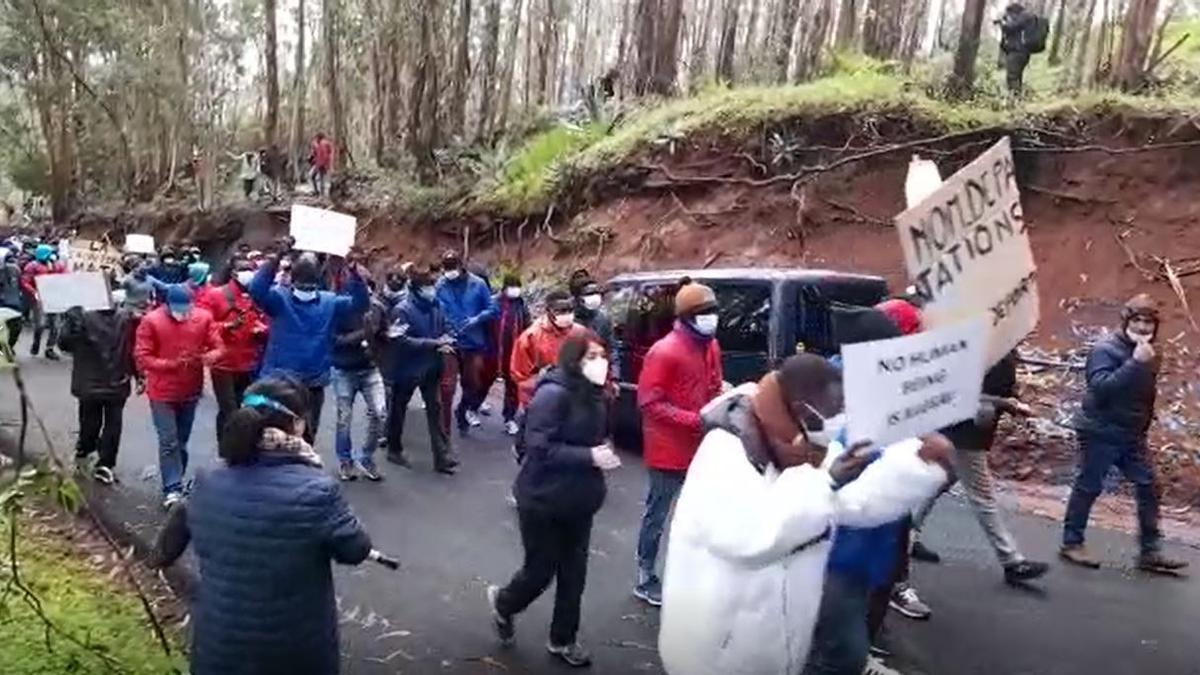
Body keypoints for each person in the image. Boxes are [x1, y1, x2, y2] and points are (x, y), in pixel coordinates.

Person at [658, 355, 952, 675]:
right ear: (801, 408)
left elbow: (847, 503)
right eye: (833, 409)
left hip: (767, 643)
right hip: (719, 650)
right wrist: (827, 482)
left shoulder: (796, 447)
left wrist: (923, 466)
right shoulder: (726, 450)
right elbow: (749, 537)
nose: (840, 419)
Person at [150, 376, 373, 675]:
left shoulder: (206, 481)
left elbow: (164, 550)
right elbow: (356, 549)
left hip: (218, 650)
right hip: (295, 655)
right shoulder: (318, 490)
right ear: (297, 425)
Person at [487, 335, 622, 668]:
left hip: (579, 500)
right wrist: (588, 455)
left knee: (574, 575)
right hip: (542, 500)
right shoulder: (552, 394)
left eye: (603, 355)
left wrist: (600, 452)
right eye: (593, 356)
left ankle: (563, 639)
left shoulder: (595, 394)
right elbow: (539, 448)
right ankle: (504, 603)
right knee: (540, 570)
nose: (601, 361)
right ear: (575, 360)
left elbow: (593, 435)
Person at [1060, 294, 1189, 573]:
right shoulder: (1105, 350)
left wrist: (1144, 422)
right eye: (1137, 320)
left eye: (1148, 322)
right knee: (1089, 485)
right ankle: (1072, 543)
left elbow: (1143, 392)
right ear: (1126, 320)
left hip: (1131, 433)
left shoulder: (1151, 351)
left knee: (1148, 485)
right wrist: (1135, 363)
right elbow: (1101, 388)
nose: (1143, 327)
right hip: (1100, 430)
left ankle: (1149, 552)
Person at [633, 282, 724, 606]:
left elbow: (713, 385)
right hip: (667, 450)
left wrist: (725, 401)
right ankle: (645, 575)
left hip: (702, 447)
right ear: (686, 317)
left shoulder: (710, 346)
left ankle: (691, 574)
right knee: (657, 515)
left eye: (713, 311)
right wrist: (696, 420)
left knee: (698, 516)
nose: (711, 318)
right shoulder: (665, 351)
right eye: (703, 314)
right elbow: (649, 403)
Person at [248, 246, 370, 444]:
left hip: (285, 380)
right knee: (303, 437)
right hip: (301, 381)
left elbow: (256, 290)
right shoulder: (327, 302)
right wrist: (353, 272)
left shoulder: (281, 298)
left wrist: (276, 257)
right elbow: (361, 304)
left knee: (275, 436)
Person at [134, 284, 224, 509]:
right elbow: (143, 356)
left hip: (190, 389)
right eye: (178, 308)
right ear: (167, 305)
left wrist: (209, 357)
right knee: (169, 440)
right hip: (161, 391)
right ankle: (172, 487)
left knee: (181, 440)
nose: (183, 313)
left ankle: (177, 478)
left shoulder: (203, 318)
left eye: (187, 308)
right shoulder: (151, 321)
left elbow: (218, 346)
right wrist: (171, 365)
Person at [384, 267, 458, 474]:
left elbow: (445, 327)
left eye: (432, 286)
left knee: (435, 410)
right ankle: (394, 449)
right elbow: (399, 340)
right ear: (415, 289)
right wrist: (433, 343)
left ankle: (441, 457)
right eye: (427, 287)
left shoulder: (436, 307)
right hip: (407, 368)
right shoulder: (402, 310)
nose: (431, 290)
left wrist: (447, 338)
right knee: (398, 410)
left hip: (432, 366)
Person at [58, 303, 140, 485]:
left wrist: (68, 324)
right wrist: (139, 375)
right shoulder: (127, 318)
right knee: (114, 423)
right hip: (118, 380)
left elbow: (64, 345)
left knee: (90, 420)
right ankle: (106, 463)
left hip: (89, 382)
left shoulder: (81, 317)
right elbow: (134, 349)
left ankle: (85, 449)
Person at [197, 258, 269, 441]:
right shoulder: (215, 295)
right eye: (243, 269)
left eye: (250, 269)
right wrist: (226, 326)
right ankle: (227, 448)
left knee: (245, 407)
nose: (248, 273)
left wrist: (262, 330)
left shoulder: (256, 295)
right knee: (228, 409)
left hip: (248, 363)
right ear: (233, 273)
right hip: (224, 363)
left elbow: (265, 320)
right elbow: (202, 324)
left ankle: (238, 446)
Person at [331, 278, 388, 482]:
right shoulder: (337, 309)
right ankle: (345, 460)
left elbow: (384, 334)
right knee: (344, 418)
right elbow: (335, 340)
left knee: (380, 414)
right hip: (343, 370)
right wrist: (362, 333)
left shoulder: (378, 308)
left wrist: (386, 336)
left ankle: (366, 457)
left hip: (370, 369)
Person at [435, 251, 498, 433]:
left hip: (473, 342)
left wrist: (477, 319)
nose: (449, 272)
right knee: (447, 387)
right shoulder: (440, 285)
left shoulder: (478, 284)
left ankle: (462, 410)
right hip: (451, 342)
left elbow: (492, 309)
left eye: (452, 267)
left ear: (461, 266)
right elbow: (435, 310)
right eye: (446, 268)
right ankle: (443, 432)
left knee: (473, 383)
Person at [510, 291, 594, 408]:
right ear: (549, 311)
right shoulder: (531, 336)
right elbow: (520, 374)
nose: (567, 315)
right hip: (543, 401)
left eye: (570, 310)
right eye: (561, 311)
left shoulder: (581, 333)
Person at [492, 273, 531, 436]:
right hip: (493, 350)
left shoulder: (522, 305)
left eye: (518, 287)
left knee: (513, 386)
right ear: (505, 288)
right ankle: (470, 407)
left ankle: (509, 417)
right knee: (480, 382)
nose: (515, 291)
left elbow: (528, 326)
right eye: (512, 287)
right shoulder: (494, 302)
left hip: (515, 351)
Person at [20, 242, 65, 359]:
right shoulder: (32, 266)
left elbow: (65, 277)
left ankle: (49, 348)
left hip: (55, 297)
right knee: (40, 324)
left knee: (56, 325)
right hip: (39, 297)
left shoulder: (57, 265)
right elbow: (25, 281)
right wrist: (33, 292)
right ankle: (36, 342)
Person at [569, 272, 619, 378]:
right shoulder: (567, 319)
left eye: (595, 293)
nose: (594, 297)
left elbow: (612, 348)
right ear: (578, 298)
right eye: (589, 294)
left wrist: (615, 375)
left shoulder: (603, 318)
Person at [999, 3, 1037, 95]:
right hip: (1023, 52)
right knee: (1017, 76)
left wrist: (1003, 24)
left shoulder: (1022, 18)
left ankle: (1014, 100)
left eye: (1009, 13)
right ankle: (1017, 98)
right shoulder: (1027, 18)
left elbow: (1010, 27)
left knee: (1012, 76)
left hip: (1017, 51)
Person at [0, 246, 24, 348]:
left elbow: (20, 284)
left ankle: (9, 347)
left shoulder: (14, 269)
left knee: (16, 328)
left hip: (13, 305)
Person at [310, 132, 334, 197]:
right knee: (321, 178)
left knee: (321, 178)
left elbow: (323, 155)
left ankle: (321, 194)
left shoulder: (322, 144)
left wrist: (321, 164)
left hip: (322, 164)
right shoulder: (325, 143)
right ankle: (320, 193)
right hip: (323, 163)